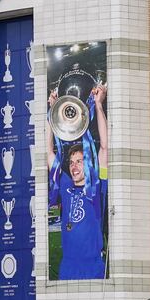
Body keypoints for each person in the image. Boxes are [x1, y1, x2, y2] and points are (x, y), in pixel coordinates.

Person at [47, 82, 108, 279]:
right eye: (72, 162)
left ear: (88, 164)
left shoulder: (98, 186)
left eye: (79, 161)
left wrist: (98, 105)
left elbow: (105, 148)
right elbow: (48, 152)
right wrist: (52, 112)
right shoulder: (65, 186)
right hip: (68, 266)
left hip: (93, 266)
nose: (74, 166)